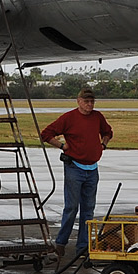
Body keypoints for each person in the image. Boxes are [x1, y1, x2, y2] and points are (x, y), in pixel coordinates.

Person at [40, 86, 113, 261]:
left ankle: (83, 246)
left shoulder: (98, 117)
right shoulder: (69, 118)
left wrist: (103, 144)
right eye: (86, 101)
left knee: (88, 210)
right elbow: (46, 134)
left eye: (92, 101)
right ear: (79, 101)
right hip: (74, 168)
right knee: (71, 207)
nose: (90, 105)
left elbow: (108, 132)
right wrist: (63, 146)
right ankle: (61, 243)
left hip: (92, 168)